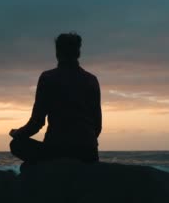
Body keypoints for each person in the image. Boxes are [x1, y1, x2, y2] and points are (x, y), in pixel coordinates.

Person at [9, 32, 102, 163]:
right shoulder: (92, 80)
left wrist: (18, 133)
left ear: (57, 53)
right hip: (88, 152)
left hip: (57, 149)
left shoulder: (48, 78)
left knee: (16, 144)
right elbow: (97, 126)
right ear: (78, 53)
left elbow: (36, 123)